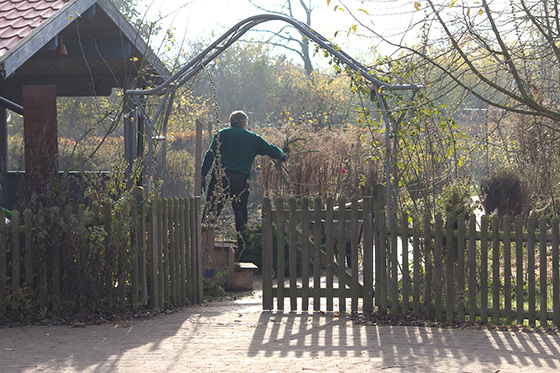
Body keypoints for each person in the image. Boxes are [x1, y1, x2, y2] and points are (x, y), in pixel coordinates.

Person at [201, 110, 288, 252]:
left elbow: (209, 155)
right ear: (243, 123)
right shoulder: (252, 138)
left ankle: (203, 246)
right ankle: (243, 251)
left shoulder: (221, 134)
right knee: (241, 216)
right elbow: (270, 149)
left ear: (231, 123)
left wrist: (202, 175)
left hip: (220, 178)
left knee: (210, 213)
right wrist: (282, 155)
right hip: (240, 181)